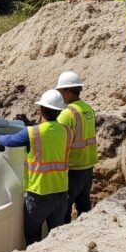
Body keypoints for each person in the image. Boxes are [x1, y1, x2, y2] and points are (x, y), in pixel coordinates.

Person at [0, 89, 72, 247]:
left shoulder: (32, 133)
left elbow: (10, 141)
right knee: (56, 236)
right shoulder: (67, 131)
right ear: (59, 112)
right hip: (61, 192)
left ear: (42, 109)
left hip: (39, 195)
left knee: (32, 235)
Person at [54, 71, 97, 222]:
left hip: (73, 167)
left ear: (66, 91)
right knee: (84, 204)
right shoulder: (87, 108)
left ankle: (65, 236)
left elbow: (56, 139)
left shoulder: (67, 114)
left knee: (63, 206)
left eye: (60, 91)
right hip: (87, 165)